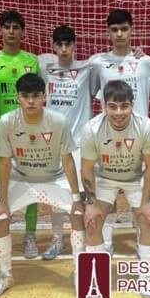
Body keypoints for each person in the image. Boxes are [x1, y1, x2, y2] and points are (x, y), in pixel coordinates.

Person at [0, 73, 85, 297]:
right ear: (18, 97)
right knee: (0, 219)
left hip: (54, 178)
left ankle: (80, 272)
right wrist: (2, 201)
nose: (31, 101)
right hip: (22, 179)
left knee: (78, 216)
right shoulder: (7, 122)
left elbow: (68, 161)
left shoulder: (58, 121)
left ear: (44, 97)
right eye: (25, 96)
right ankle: (5, 275)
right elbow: (4, 162)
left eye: (36, 96)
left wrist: (77, 199)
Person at [81, 80, 150, 298]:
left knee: (148, 220)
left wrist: (145, 202)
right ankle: (95, 278)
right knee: (92, 221)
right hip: (104, 178)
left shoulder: (146, 126)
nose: (118, 113)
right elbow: (86, 169)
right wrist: (91, 204)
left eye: (124, 106)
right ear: (104, 106)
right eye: (112, 106)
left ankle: (147, 276)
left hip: (135, 178)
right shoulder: (92, 129)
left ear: (132, 105)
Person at [0, 10, 40, 259]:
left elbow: (38, 97)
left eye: (16, 27)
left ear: (23, 32)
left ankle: (30, 236)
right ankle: (2, 236)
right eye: (7, 27)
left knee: (32, 185)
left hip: (29, 135)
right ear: (0, 31)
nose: (11, 31)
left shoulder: (32, 61)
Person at [39, 24, 97, 259]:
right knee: (57, 196)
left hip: (82, 143)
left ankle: (82, 239)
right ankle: (57, 239)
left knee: (82, 195)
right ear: (53, 46)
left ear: (74, 45)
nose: (64, 49)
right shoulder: (45, 70)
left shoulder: (87, 69)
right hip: (54, 142)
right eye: (59, 44)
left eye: (68, 44)